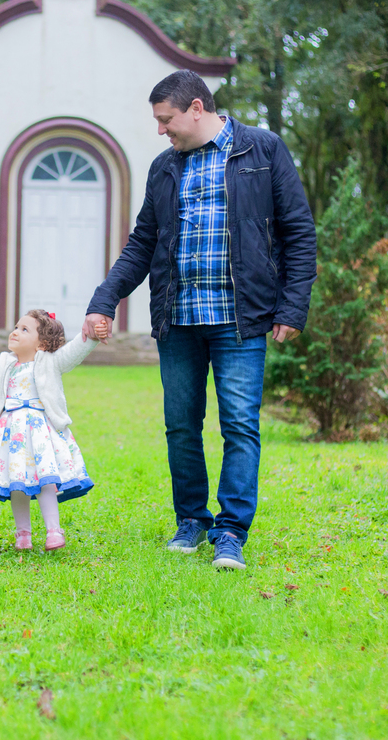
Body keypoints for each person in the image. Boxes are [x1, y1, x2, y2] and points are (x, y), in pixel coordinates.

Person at [83, 70, 317, 570]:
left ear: (195, 107)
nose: (161, 130)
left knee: (239, 426)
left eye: (166, 120)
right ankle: (191, 520)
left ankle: (231, 531)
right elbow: (142, 243)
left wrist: (292, 306)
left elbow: (298, 232)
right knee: (181, 426)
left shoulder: (263, 150)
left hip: (242, 319)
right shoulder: (164, 168)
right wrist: (104, 300)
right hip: (179, 319)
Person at [0, 310, 103, 551]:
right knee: (17, 482)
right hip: (11, 435)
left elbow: (75, 350)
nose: (15, 332)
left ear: (43, 343)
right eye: (16, 327)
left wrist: (92, 334)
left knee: (46, 481)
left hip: (40, 434)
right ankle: (23, 534)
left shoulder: (51, 362)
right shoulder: (2, 365)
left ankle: (53, 530)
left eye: (24, 329)